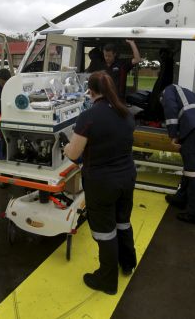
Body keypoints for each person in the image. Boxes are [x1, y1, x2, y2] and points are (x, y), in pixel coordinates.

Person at [63, 71, 137, 294]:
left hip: (102, 182)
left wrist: (65, 144)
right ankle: (127, 262)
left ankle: (106, 280)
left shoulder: (89, 116)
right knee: (122, 222)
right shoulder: (126, 112)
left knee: (105, 231)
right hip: (126, 176)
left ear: (91, 90)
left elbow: (74, 154)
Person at [161, 84, 195, 225]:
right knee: (190, 170)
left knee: (194, 174)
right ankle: (181, 198)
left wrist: (173, 135)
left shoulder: (167, 90)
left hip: (192, 132)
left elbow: (170, 110)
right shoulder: (189, 93)